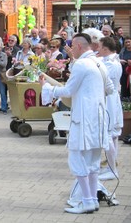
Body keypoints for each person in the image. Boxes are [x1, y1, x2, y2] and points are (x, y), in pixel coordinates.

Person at [39, 33, 113, 214]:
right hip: (99, 116)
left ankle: (87, 200)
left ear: (79, 46)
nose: (71, 50)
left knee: (77, 157)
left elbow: (69, 90)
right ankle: (92, 199)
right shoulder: (99, 63)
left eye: (72, 47)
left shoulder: (82, 64)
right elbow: (110, 88)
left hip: (84, 117)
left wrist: (47, 88)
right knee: (93, 159)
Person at [98, 37, 122, 181]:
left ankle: (113, 170)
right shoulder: (108, 61)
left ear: (106, 49)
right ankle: (110, 166)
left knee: (109, 135)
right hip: (110, 99)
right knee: (112, 136)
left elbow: (101, 78)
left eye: (100, 47)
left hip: (110, 101)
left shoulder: (112, 63)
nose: (98, 50)